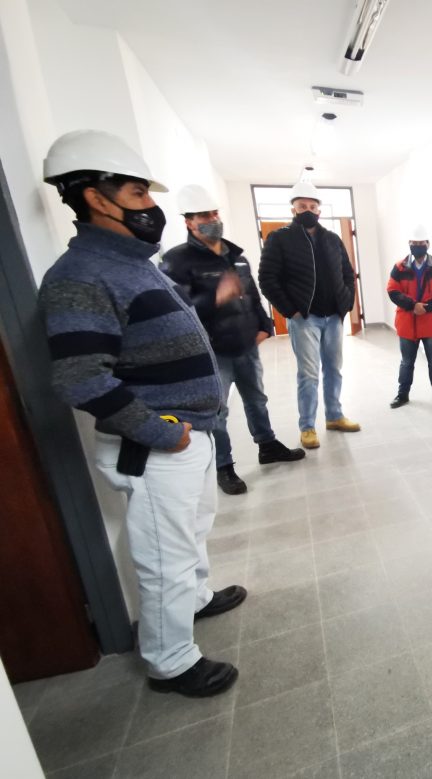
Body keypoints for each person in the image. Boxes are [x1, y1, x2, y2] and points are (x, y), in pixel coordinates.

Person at [38, 130, 244, 697]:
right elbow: (79, 377)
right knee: (164, 555)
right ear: (96, 198)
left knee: (193, 530)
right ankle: (171, 661)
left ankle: (196, 599)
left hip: (189, 432)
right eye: (137, 193)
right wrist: (160, 433)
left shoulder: (134, 263)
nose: (151, 206)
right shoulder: (81, 275)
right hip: (155, 444)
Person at [161, 185, 304, 495]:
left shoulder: (236, 257)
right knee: (218, 412)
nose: (212, 219)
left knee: (257, 399)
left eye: (214, 213)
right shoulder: (177, 261)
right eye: (204, 215)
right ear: (188, 221)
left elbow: (251, 295)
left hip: (246, 345)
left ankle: (267, 445)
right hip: (211, 352)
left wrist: (265, 325)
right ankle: (224, 466)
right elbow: (173, 310)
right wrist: (215, 297)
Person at [258, 181, 360, 449]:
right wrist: (291, 311)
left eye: (313, 206)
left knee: (334, 369)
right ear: (293, 209)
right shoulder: (280, 238)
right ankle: (307, 427)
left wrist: (346, 304)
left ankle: (334, 416)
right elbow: (267, 279)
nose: (308, 210)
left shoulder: (332, 239)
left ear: (319, 210)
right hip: (304, 318)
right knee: (309, 374)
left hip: (334, 317)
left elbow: (347, 273)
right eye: (302, 205)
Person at [386, 224, 432, 408]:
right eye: (414, 243)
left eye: (421, 243)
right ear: (409, 244)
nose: (417, 246)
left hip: (431, 323)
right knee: (406, 362)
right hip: (407, 323)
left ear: (428, 244)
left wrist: (426, 308)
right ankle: (402, 395)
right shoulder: (399, 268)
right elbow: (392, 290)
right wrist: (412, 305)